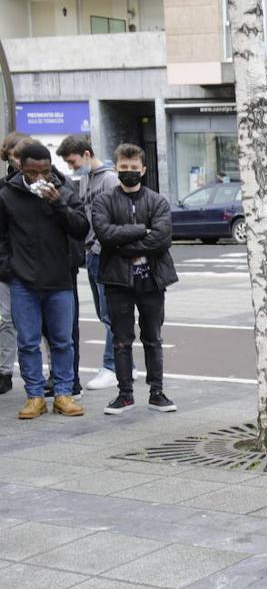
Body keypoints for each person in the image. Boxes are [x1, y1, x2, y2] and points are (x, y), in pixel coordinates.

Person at [0, 141, 91, 419]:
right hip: (23, 280)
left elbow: (81, 228)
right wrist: (8, 270)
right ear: (20, 168)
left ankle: (63, 394)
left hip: (60, 279)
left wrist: (58, 203)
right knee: (28, 342)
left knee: (62, 340)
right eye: (32, 172)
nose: (39, 177)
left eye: (45, 171)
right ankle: (35, 396)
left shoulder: (64, 190)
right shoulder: (7, 195)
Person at [92, 144, 178, 415]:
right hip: (117, 281)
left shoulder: (157, 201)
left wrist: (123, 245)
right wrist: (142, 229)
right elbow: (105, 235)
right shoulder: (104, 201)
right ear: (116, 168)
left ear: (143, 169)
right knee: (121, 340)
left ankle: (157, 393)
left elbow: (162, 239)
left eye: (133, 168)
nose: (128, 172)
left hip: (152, 281)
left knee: (153, 338)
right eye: (124, 167)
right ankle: (125, 394)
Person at [58, 135, 121, 392]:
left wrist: (99, 248)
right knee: (103, 313)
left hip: (105, 254)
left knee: (110, 315)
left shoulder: (109, 180)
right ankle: (125, 364)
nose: (71, 167)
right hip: (92, 254)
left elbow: (115, 219)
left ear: (86, 154)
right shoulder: (85, 179)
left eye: (72, 162)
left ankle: (112, 367)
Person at [0, 132, 32, 396]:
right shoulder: (3, 188)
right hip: (8, 264)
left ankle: (54, 376)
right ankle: (4, 371)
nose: (19, 161)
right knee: (6, 319)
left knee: (43, 323)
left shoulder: (46, 184)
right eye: (15, 155)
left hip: (37, 263)